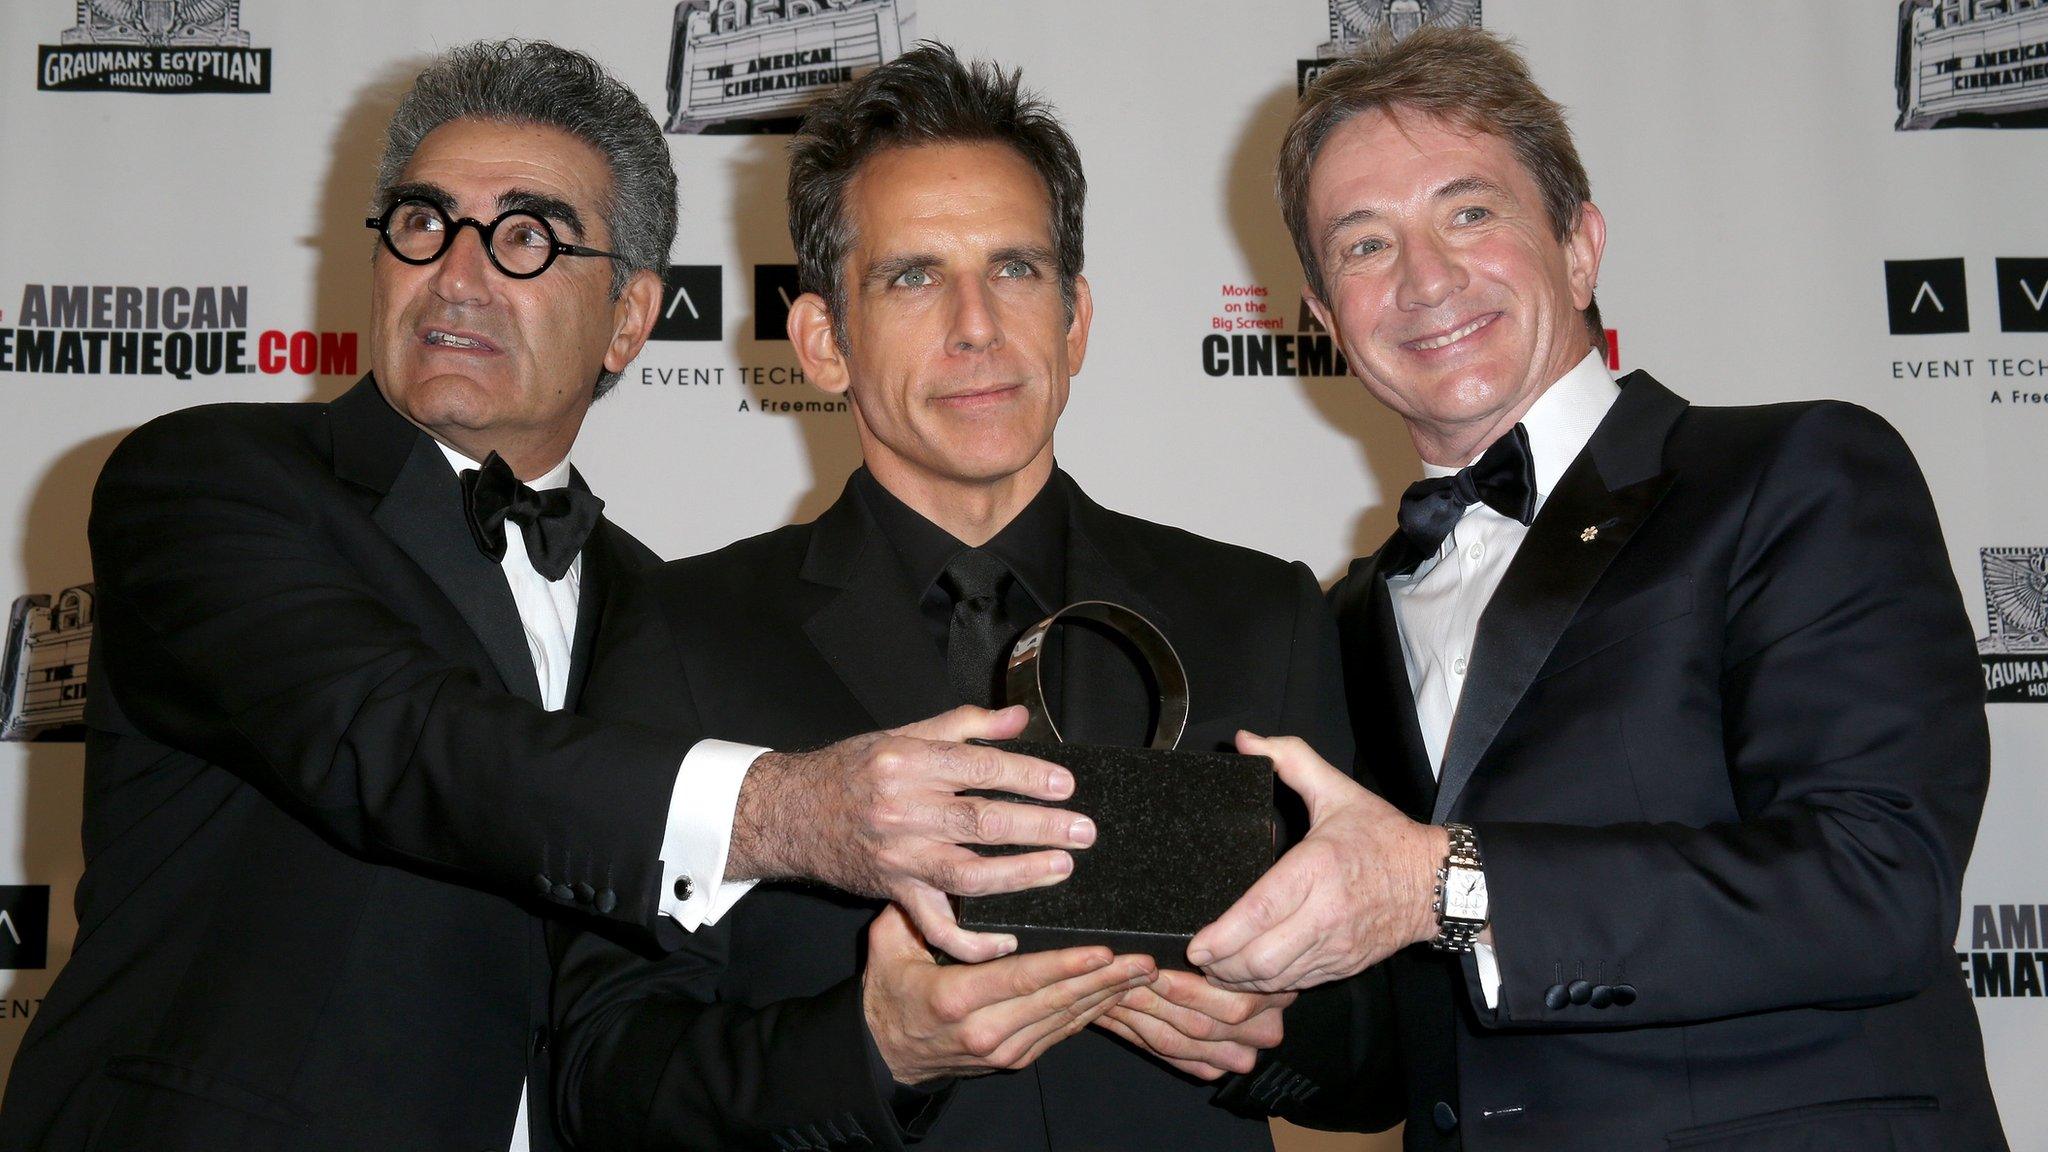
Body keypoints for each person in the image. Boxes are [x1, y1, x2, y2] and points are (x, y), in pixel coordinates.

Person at [0, 40, 1094, 1152]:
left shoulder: (670, 615)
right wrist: (784, 811)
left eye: (525, 237)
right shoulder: (208, 481)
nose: (459, 275)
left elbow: (655, 1032)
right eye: (423, 224)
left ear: (629, 318)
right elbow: (393, 739)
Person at [1186, 26, 2011, 1152]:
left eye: (1469, 212)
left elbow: (1874, 885)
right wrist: (1235, 1030)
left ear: (1579, 247)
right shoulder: (1342, 620)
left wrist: (1444, 884)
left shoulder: (1793, 472)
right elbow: (1404, 1055)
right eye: (1365, 244)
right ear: (1327, 322)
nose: (1425, 278)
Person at [549, 44, 1358, 1152]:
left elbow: (1383, 1054)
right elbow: (603, 1077)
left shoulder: (1257, 616)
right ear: (824, 342)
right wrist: (874, 1047)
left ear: (1074, 320)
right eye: (913, 276)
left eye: (1016, 269)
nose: (976, 325)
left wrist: (1272, 1030)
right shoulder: (682, 636)